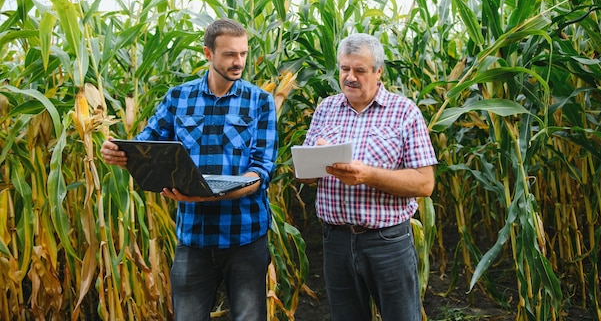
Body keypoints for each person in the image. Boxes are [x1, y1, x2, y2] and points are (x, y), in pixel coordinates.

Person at [100, 18, 278, 321]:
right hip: (193, 237)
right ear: (208, 54)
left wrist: (207, 196)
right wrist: (119, 151)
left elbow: (261, 173)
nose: (239, 62)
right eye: (230, 55)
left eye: (243, 54)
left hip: (245, 237)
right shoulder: (178, 98)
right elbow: (147, 144)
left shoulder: (259, 101)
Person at [299, 33, 438, 321]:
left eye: (359, 71)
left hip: (387, 242)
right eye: (344, 69)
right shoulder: (326, 109)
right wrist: (314, 162)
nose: (350, 77)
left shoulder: (404, 112)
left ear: (378, 72)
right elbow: (304, 177)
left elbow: (425, 183)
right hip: (335, 240)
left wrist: (368, 175)